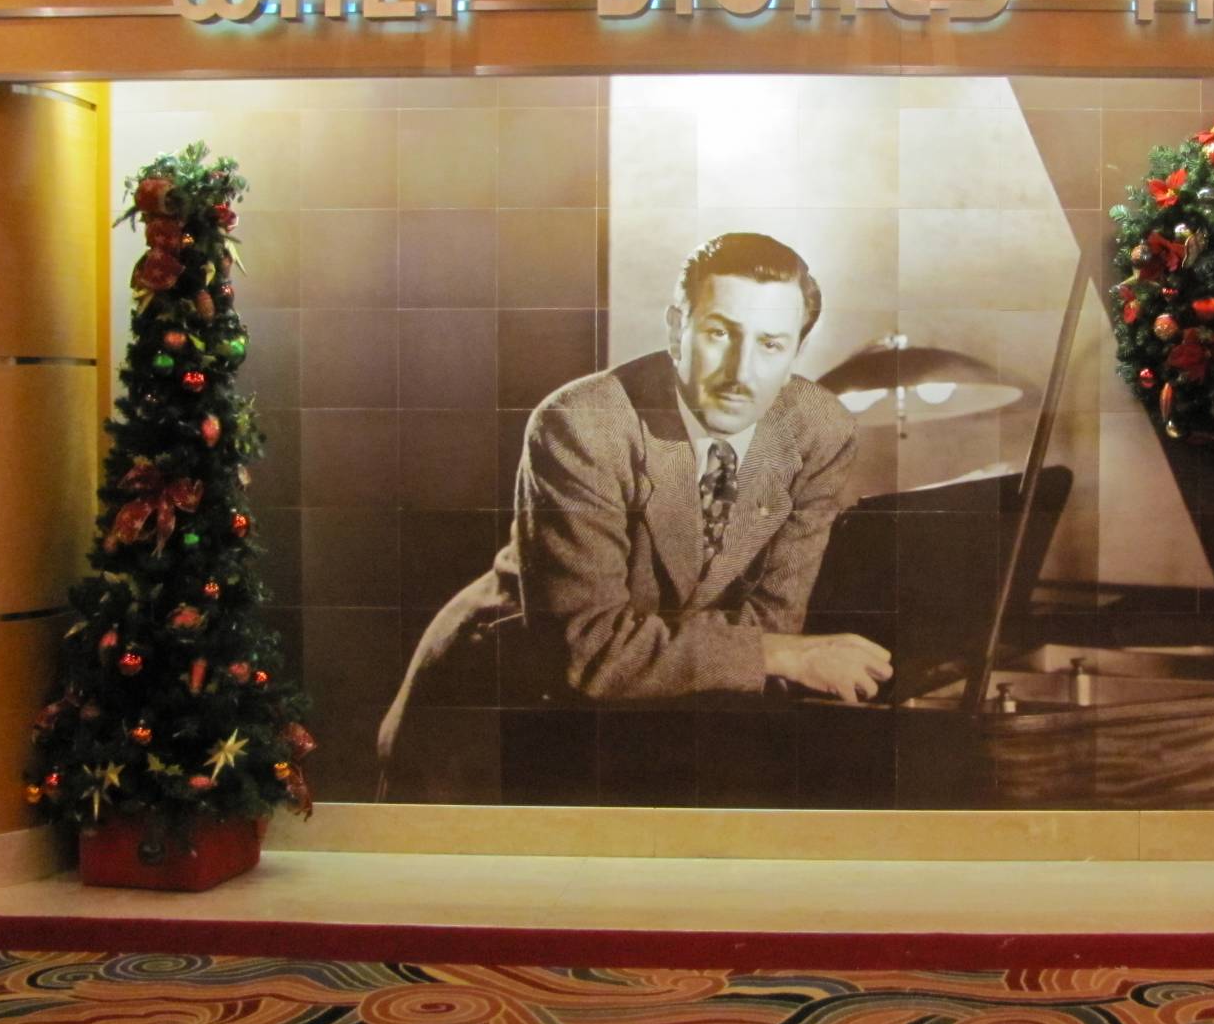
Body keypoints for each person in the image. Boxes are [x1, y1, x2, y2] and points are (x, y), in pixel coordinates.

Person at [377, 232, 891, 786]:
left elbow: (773, 622)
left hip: (645, 721)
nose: (740, 373)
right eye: (720, 334)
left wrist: (773, 656)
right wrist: (784, 655)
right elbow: (591, 648)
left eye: (770, 344)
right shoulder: (583, 423)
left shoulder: (819, 430)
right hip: (497, 715)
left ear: (795, 352)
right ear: (677, 330)